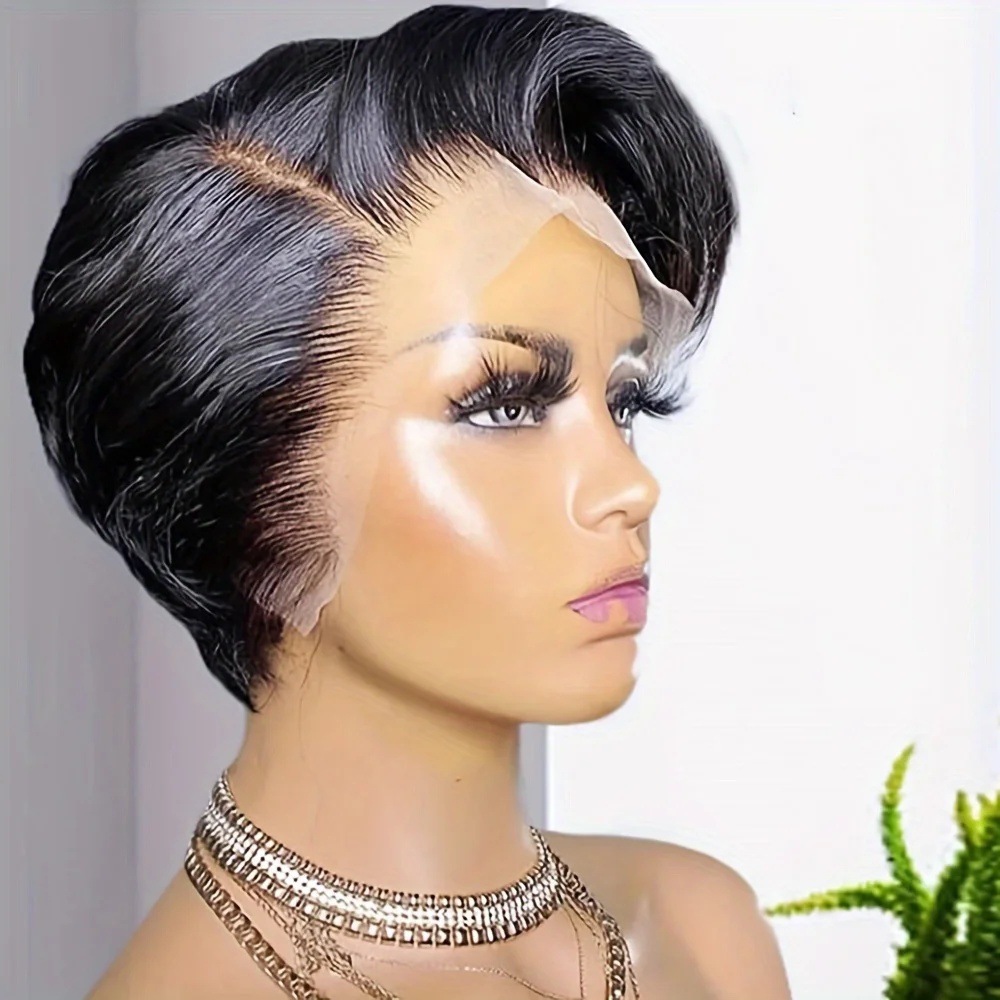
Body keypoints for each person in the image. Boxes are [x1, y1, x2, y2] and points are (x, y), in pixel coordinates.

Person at [23, 5, 792, 997]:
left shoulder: (697, 929)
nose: (628, 486)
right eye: (504, 405)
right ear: (253, 505)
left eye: (623, 400)